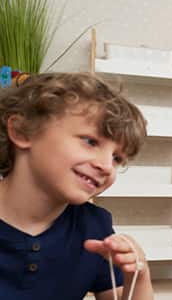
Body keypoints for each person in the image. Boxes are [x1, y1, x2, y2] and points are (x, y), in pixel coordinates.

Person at [0, 73, 153, 299]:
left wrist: (139, 277)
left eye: (117, 158)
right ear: (22, 131)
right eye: (90, 142)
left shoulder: (95, 228)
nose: (106, 166)